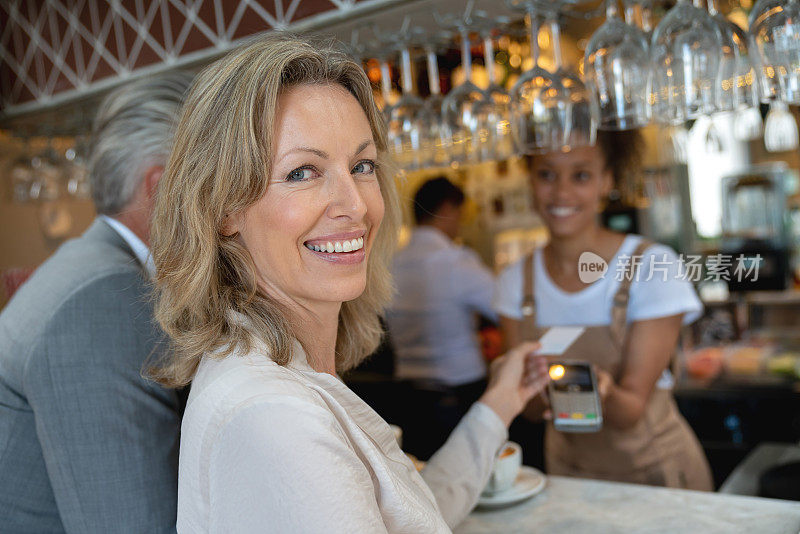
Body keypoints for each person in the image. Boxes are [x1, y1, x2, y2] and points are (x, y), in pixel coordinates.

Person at [149, 35, 549, 532]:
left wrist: (501, 403)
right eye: (303, 172)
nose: (356, 204)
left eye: (362, 166)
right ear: (223, 207)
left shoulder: (282, 374)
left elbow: (409, 513)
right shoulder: (277, 414)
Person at [0, 73, 193, 532]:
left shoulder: (92, 271)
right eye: (217, 180)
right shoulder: (103, 299)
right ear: (161, 186)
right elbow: (132, 524)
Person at [494, 130, 713, 490]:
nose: (562, 193)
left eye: (581, 175)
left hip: (656, 475)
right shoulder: (515, 282)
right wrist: (514, 383)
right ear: (530, 181)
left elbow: (630, 413)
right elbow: (530, 411)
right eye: (547, 174)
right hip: (567, 475)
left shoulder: (652, 267)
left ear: (606, 181)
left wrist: (603, 392)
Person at [385, 176, 498, 460]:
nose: (460, 223)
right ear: (447, 209)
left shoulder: (391, 265)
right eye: (460, 214)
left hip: (408, 396)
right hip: (458, 395)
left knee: (427, 481)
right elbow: (507, 308)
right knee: (471, 477)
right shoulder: (454, 262)